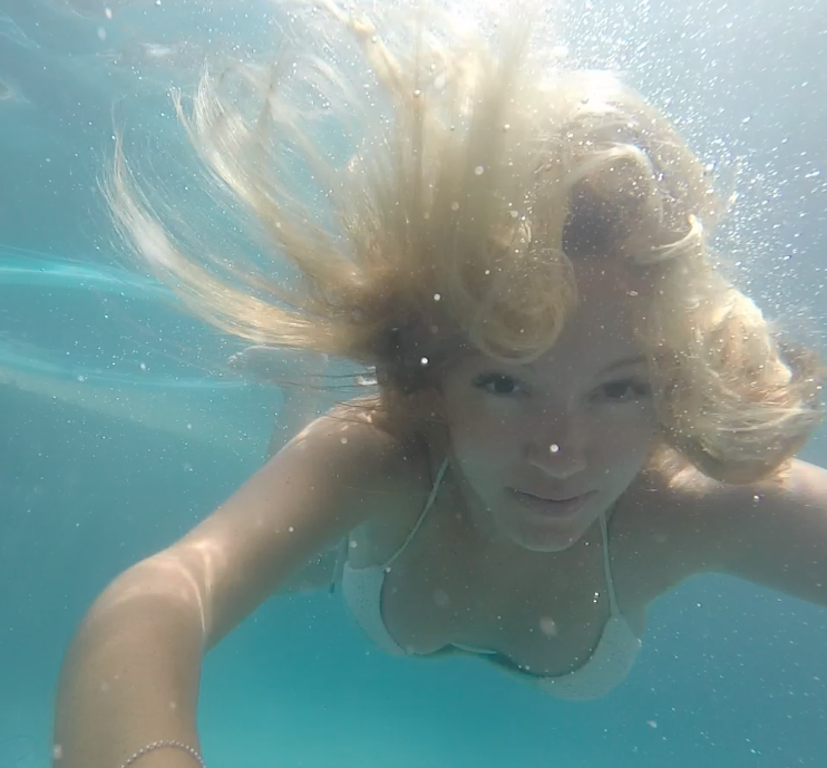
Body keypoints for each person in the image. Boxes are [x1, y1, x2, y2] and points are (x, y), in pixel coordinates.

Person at [53, 2, 827, 767]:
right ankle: (300, 383)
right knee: (303, 566)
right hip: (381, 522)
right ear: (435, 376)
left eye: (620, 390)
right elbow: (159, 597)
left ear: (672, 386)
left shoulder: (686, 503)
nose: (561, 453)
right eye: (505, 383)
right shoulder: (386, 455)